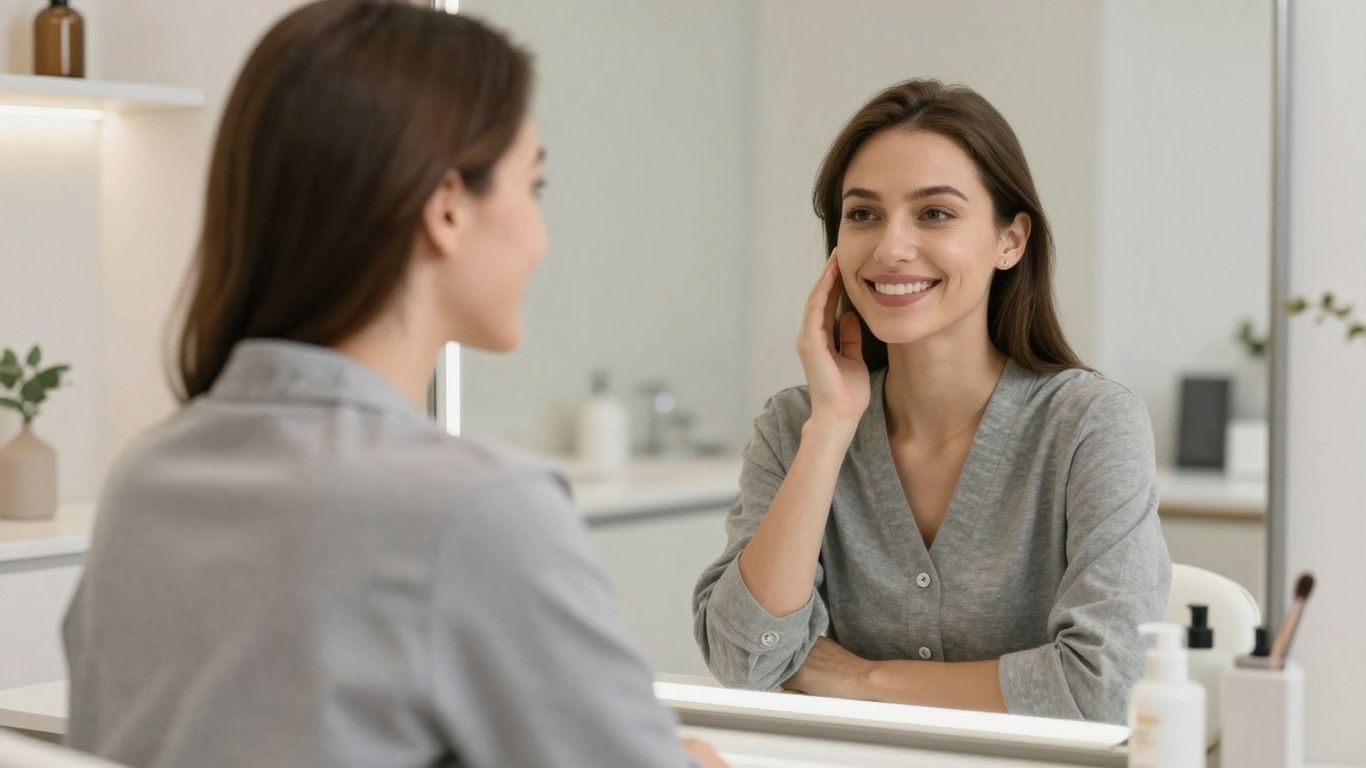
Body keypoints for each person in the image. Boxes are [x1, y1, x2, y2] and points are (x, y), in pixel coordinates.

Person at [63, 2, 723, 765]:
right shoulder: (479, 511)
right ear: (446, 206)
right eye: (532, 189)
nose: (541, 239)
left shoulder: (146, 479)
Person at [693, 78, 1170, 724]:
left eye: (935, 213)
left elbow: (1106, 688)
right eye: (862, 214)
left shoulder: (1089, 425)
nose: (891, 248)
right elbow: (743, 661)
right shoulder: (795, 426)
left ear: (1011, 240)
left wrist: (861, 679)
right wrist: (831, 427)